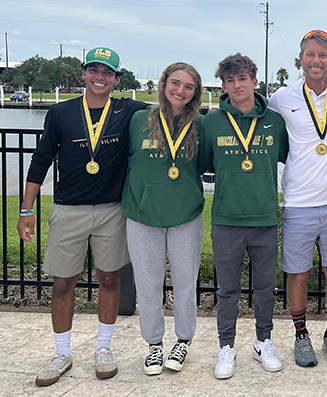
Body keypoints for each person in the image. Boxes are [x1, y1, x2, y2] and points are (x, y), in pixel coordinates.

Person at [17, 47, 147, 386]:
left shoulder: (129, 111)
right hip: (68, 209)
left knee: (108, 279)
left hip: (111, 211)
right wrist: (26, 209)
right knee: (62, 283)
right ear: (83, 74)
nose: (100, 77)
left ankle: (103, 348)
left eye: (107, 72)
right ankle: (62, 352)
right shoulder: (60, 114)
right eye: (94, 70)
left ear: (118, 79)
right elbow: (41, 160)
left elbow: (171, 111)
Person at [268, 30, 327, 367]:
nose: (316, 61)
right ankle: (300, 335)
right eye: (310, 54)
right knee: (298, 274)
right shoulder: (282, 97)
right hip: (297, 201)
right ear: (300, 59)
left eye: (323, 55)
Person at [199, 53, 289, 379]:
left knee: (265, 287)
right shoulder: (211, 122)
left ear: (254, 81)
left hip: (265, 217)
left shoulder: (276, 123)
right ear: (223, 85)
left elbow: (287, 158)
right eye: (230, 80)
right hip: (226, 218)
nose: (237, 85)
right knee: (227, 289)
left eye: (242, 78)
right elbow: (205, 165)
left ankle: (263, 341)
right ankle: (227, 346)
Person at [122, 62, 204, 375]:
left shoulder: (199, 124)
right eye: (176, 83)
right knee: (147, 284)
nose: (180, 91)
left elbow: (207, 162)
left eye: (188, 86)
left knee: (185, 282)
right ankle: (154, 345)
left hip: (185, 214)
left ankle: (183, 340)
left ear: (195, 92)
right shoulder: (139, 120)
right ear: (164, 83)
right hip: (143, 214)